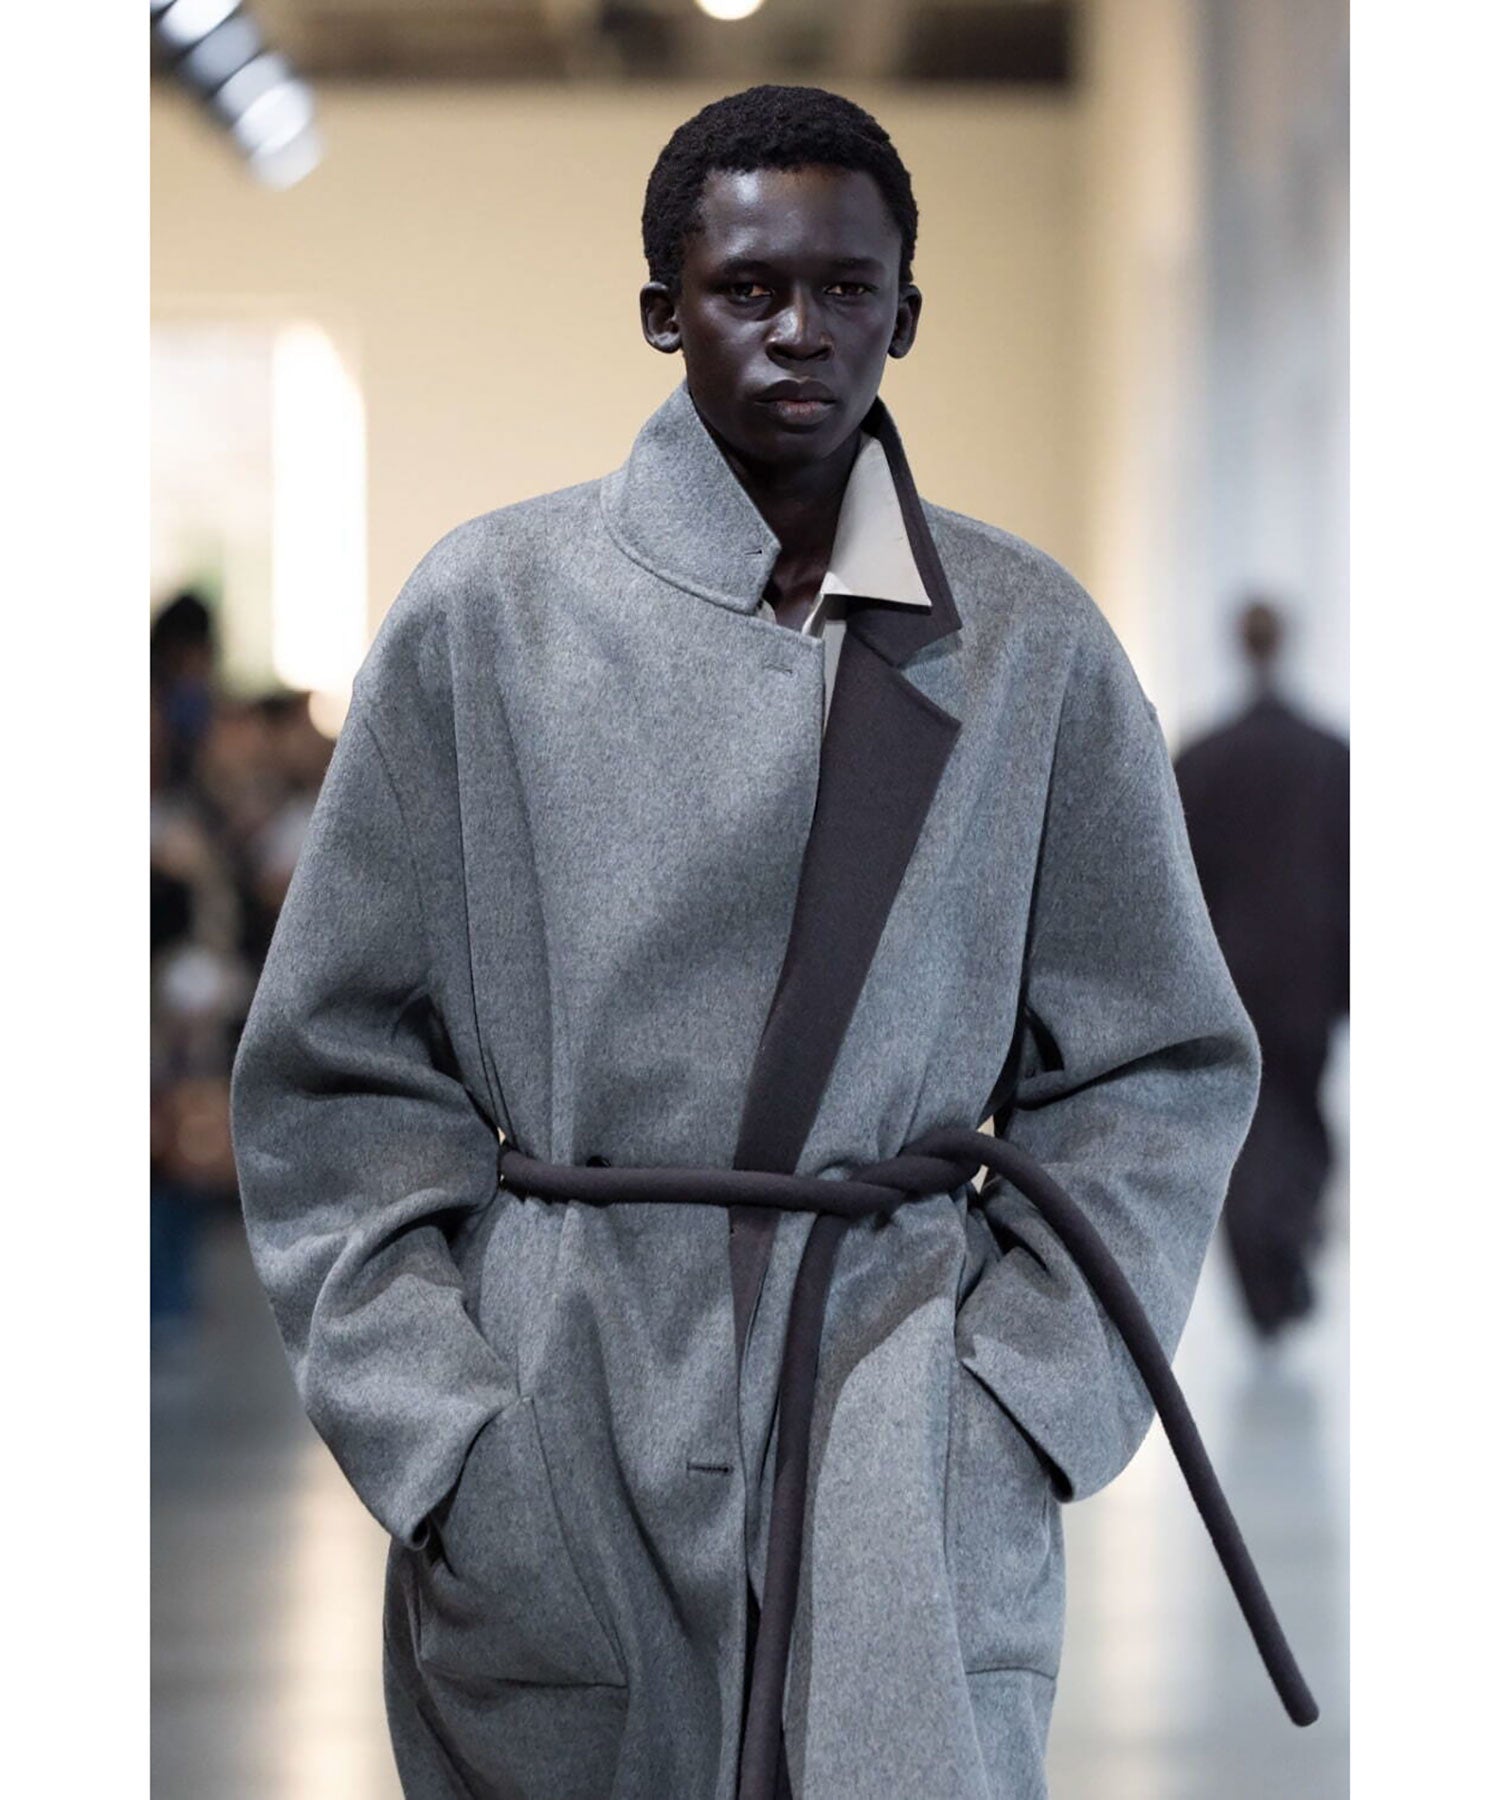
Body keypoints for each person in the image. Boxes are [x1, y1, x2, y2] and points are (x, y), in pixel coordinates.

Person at [231, 86, 1305, 1800]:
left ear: (907, 314)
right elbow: (333, 1065)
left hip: (900, 1402)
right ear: (662, 309)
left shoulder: (1029, 642)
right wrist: (445, 1433)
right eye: (747, 288)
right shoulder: (487, 615)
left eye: (846, 289)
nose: (800, 330)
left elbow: (1156, 1064)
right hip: (564, 1405)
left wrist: (1014, 1404)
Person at [1173, 598, 1350, 1342]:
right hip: (1309, 977)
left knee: (1249, 1129)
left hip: (1230, 976)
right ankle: (1284, 1257)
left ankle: (1271, 1275)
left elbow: (1178, 886)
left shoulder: (1201, 760)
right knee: (1299, 1115)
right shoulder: (1330, 756)